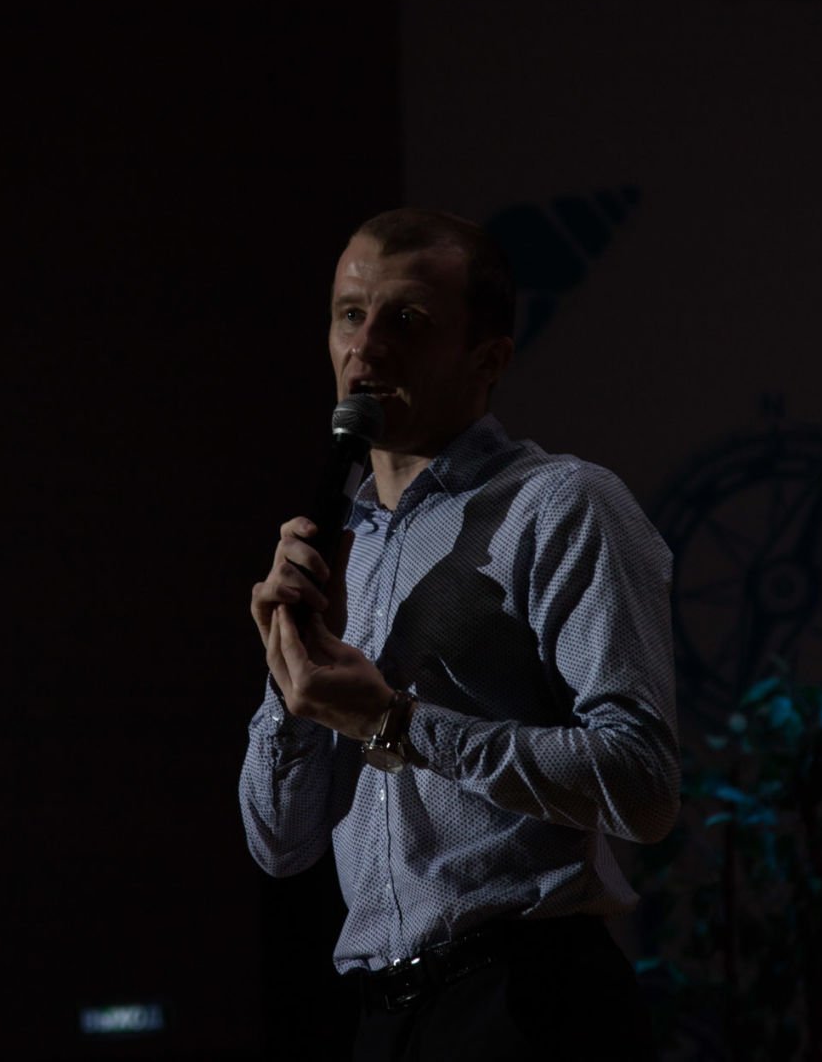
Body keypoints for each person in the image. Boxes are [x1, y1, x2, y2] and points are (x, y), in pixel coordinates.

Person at [239, 208, 679, 1061]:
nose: (364, 348)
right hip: (384, 1017)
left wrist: (394, 723)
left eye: (406, 320)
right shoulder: (342, 543)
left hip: (529, 1001)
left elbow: (644, 785)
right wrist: (289, 680)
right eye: (349, 314)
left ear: (490, 360)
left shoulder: (560, 505)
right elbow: (279, 844)